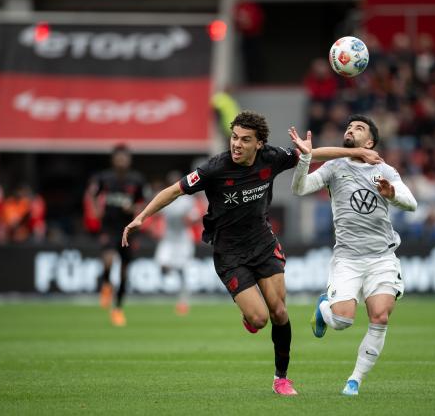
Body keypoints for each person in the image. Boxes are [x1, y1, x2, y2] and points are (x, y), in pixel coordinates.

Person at [122, 110, 381, 396]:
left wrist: (358, 152)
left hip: (263, 244)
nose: (237, 144)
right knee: (259, 319)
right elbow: (174, 191)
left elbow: (314, 153)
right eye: (234, 137)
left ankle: (281, 379)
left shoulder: (271, 158)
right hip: (229, 253)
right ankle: (250, 316)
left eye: (245, 140)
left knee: (279, 311)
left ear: (259, 144)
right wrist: (142, 216)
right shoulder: (215, 168)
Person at [290, 114, 417, 396]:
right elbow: (299, 189)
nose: (351, 130)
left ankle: (354, 380)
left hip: (382, 257)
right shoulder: (335, 167)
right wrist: (304, 159)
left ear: (370, 141)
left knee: (380, 317)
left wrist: (392, 192)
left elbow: (412, 204)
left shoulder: (385, 170)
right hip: (347, 258)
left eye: (358, 128)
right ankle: (324, 308)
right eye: (349, 127)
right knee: (342, 321)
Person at [86, 144, 146, 327]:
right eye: (118, 157)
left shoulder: (136, 180)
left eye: (124, 157)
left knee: (124, 274)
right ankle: (105, 284)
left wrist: (134, 209)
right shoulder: (104, 178)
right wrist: (96, 210)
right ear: (113, 159)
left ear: (129, 160)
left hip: (128, 229)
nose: (122, 160)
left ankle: (118, 309)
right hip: (109, 227)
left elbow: (143, 202)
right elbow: (93, 195)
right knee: (109, 260)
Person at [154, 170, 201, 315]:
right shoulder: (165, 198)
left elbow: (196, 216)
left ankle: (183, 302)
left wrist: (189, 219)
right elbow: (155, 213)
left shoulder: (187, 200)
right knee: (161, 265)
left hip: (183, 240)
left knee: (183, 271)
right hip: (168, 239)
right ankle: (170, 274)